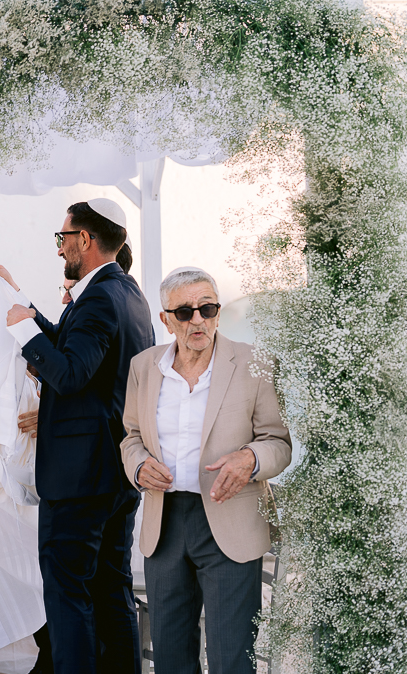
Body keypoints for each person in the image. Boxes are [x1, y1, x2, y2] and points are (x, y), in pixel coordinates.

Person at [0, 198, 155, 674]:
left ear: (84, 239)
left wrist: (23, 334)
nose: (60, 248)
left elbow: (71, 373)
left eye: (62, 238)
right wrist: (29, 311)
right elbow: (76, 348)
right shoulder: (127, 292)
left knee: (67, 596)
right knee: (109, 589)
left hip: (81, 477)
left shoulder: (100, 295)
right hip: (114, 473)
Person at [121, 267, 292, 674]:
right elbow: (130, 436)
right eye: (184, 312)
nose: (197, 320)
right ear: (165, 320)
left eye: (207, 308)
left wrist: (249, 459)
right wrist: (140, 465)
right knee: (171, 657)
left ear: (217, 311)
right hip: (164, 526)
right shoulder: (144, 367)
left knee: (232, 657)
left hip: (230, 520)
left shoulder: (255, 363)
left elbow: (279, 443)